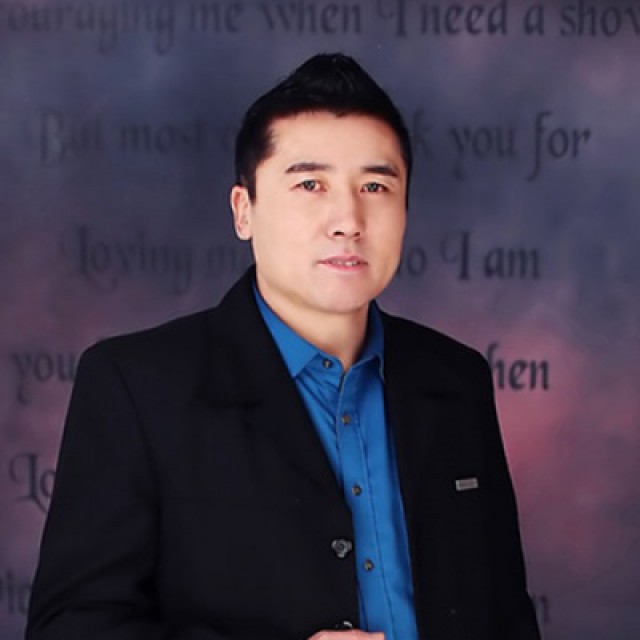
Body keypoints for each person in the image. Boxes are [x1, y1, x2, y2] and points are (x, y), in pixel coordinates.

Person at [26, 53, 541, 640]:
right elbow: (70, 628)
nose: (348, 220)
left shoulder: (456, 379)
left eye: (375, 186)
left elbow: (505, 617)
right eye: (310, 184)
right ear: (244, 211)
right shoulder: (136, 386)